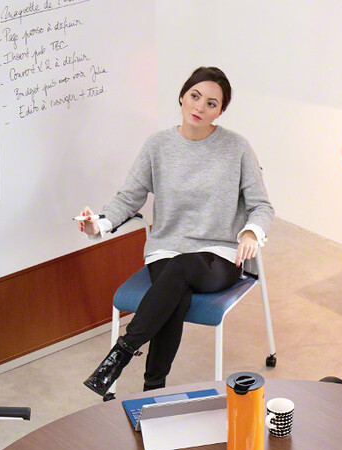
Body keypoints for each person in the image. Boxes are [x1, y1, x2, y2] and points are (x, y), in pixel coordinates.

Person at [76, 66, 274, 396]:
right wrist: (100, 223)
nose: (200, 107)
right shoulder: (158, 146)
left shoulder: (237, 148)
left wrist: (252, 232)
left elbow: (262, 206)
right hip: (167, 249)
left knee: (179, 273)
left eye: (211, 103)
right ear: (182, 96)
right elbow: (129, 197)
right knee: (175, 292)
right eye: (195, 96)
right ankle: (152, 390)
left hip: (219, 255)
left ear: (220, 112)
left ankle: (121, 354)